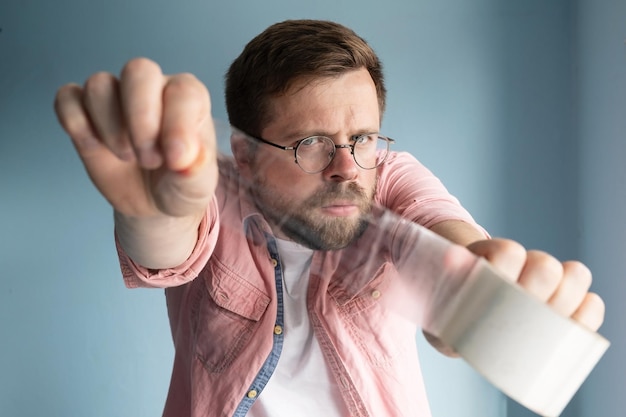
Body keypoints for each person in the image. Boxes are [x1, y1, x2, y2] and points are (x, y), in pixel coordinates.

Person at [54, 19, 605, 417]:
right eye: (311, 142)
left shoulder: (387, 175)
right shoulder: (209, 186)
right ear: (245, 155)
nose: (347, 167)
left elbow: (447, 239)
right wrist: (150, 212)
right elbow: (168, 242)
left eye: (361, 138)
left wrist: (485, 290)